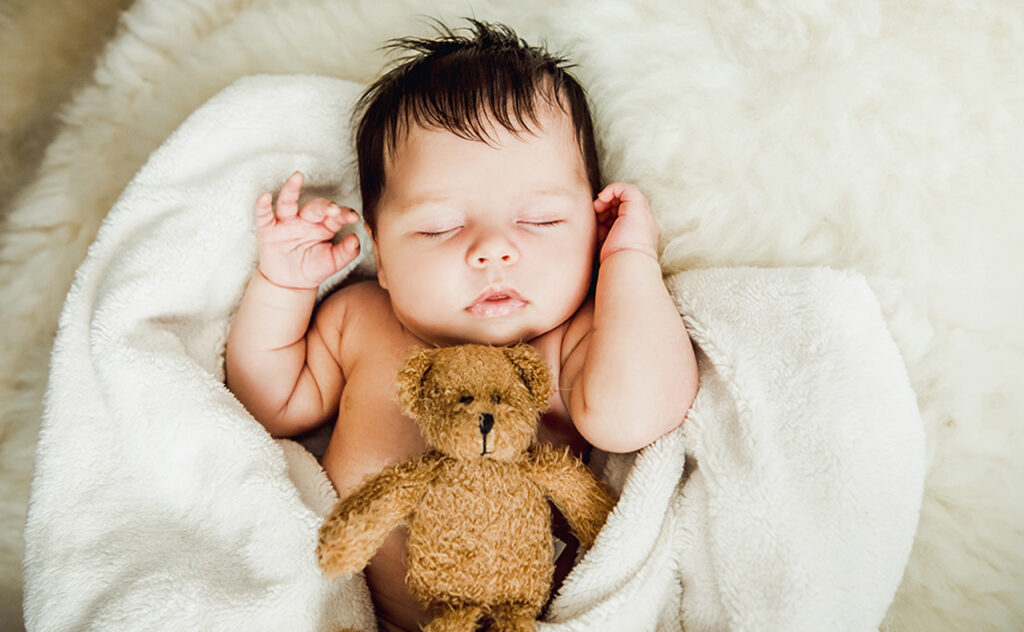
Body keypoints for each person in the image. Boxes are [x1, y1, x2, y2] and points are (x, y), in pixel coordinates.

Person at [225, 19, 697, 632]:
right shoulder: (360, 320)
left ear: (593, 227)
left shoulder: (566, 345)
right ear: (382, 254)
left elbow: (636, 416)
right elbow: (270, 404)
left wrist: (630, 263)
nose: (493, 249)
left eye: (541, 220)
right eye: (439, 227)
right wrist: (284, 285)